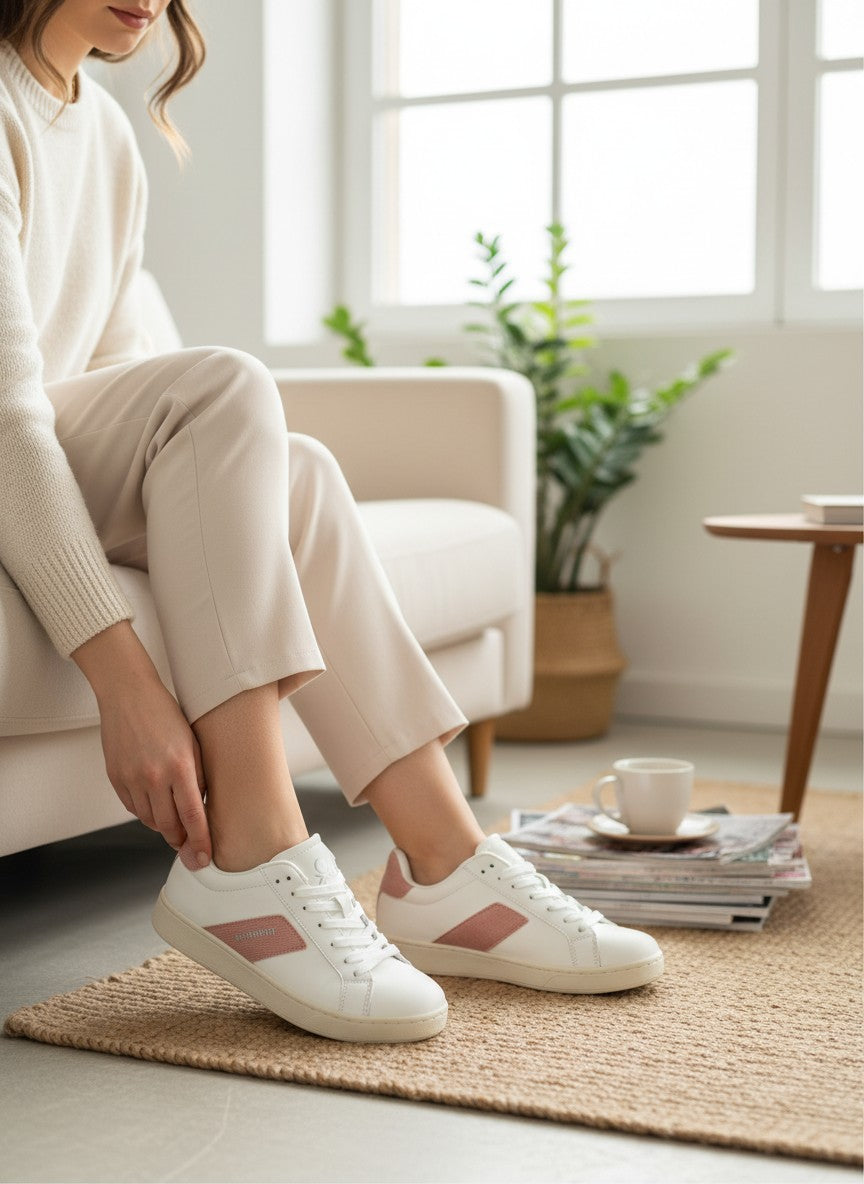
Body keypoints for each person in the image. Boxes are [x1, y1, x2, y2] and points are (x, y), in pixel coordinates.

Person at [0, 0, 664, 1044]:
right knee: (223, 387)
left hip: (53, 448)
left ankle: (444, 863)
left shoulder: (107, 129)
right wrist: (125, 683)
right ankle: (254, 855)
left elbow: (120, 380)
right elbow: (11, 419)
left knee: (296, 470)